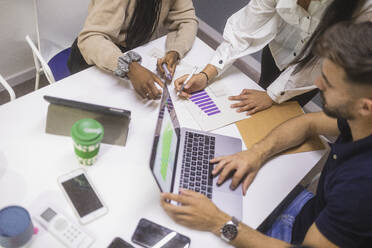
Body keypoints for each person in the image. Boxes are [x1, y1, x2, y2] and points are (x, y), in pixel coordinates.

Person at [161, 22, 372, 247]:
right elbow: (308, 123)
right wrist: (256, 154)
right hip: (312, 212)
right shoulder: (360, 118)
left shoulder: (360, 187)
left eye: (328, 84)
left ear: (365, 107)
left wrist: (218, 222)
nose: (317, 84)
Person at [175, 0, 372, 115]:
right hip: (279, 49)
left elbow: (328, 61)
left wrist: (272, 95)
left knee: (285, 113)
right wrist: (207, 74)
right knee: (258, 97)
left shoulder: (364, 6)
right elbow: (245, 29)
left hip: (315, 70)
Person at [67, 0, 198, 100]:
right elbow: (90, 38)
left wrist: (175, 51)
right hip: (99, 55)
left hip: (138, 52)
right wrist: (129, 66)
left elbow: (186, 20)